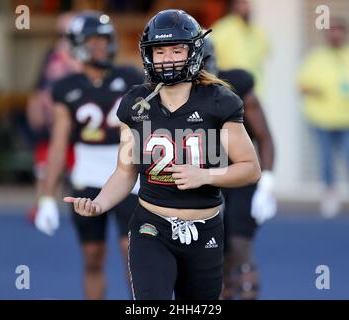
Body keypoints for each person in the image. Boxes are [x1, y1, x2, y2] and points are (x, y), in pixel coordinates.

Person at [64, 9, 261, 300]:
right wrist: (98, 204)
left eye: (176, 50)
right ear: (148, 55)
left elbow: (249, 168)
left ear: (193, 51)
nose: (167, 58)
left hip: (205, 228)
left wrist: (204, 175)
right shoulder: (136, 103)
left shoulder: (219, 101)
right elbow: (125, 171)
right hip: (151, 226)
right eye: (159, 51)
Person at [34, 11, 145, 299]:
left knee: (132, 255)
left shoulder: (130, 77)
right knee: (93, 257)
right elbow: (59, 144)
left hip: (127, 175)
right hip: (86, 177)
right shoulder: (67, 87)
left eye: (104, 40)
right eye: (93, 41)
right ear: (78, 45)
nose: (100, 47)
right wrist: (46, 196)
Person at [203, 38, 276, 299]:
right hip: (204, 180)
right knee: (214, 255)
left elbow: (264, 136)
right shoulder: (174, 93)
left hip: (240, 176)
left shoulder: (237, 85)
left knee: (240, 246)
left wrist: (267, 182)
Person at [297, 18, 349, 218]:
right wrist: (316, 90)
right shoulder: (316, 57)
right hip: (322, 119)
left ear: (345, 34)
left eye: (339, 31)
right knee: (326, 161)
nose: (335, 35)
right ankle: (330, 195)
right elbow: (301, 85)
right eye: (332, 31)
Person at [26, 12, 80, 223]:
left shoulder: (81, 54)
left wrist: (68, 55)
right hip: (51, 121)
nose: (64, 36)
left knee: (76, 170)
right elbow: (40, 85)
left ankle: (83, 206)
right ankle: (42, 203)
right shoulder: (51, 53)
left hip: (76, 123)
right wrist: (35, 108)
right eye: (62, 32)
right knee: (44, 165)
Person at [210, 0, 269, 96]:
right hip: (231, 92)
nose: (246, 7)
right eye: (242, 2)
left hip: (254, 92)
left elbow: (265, 52)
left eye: (247, 3)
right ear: (233, 5)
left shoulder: (256, 32)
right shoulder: (221, 30)